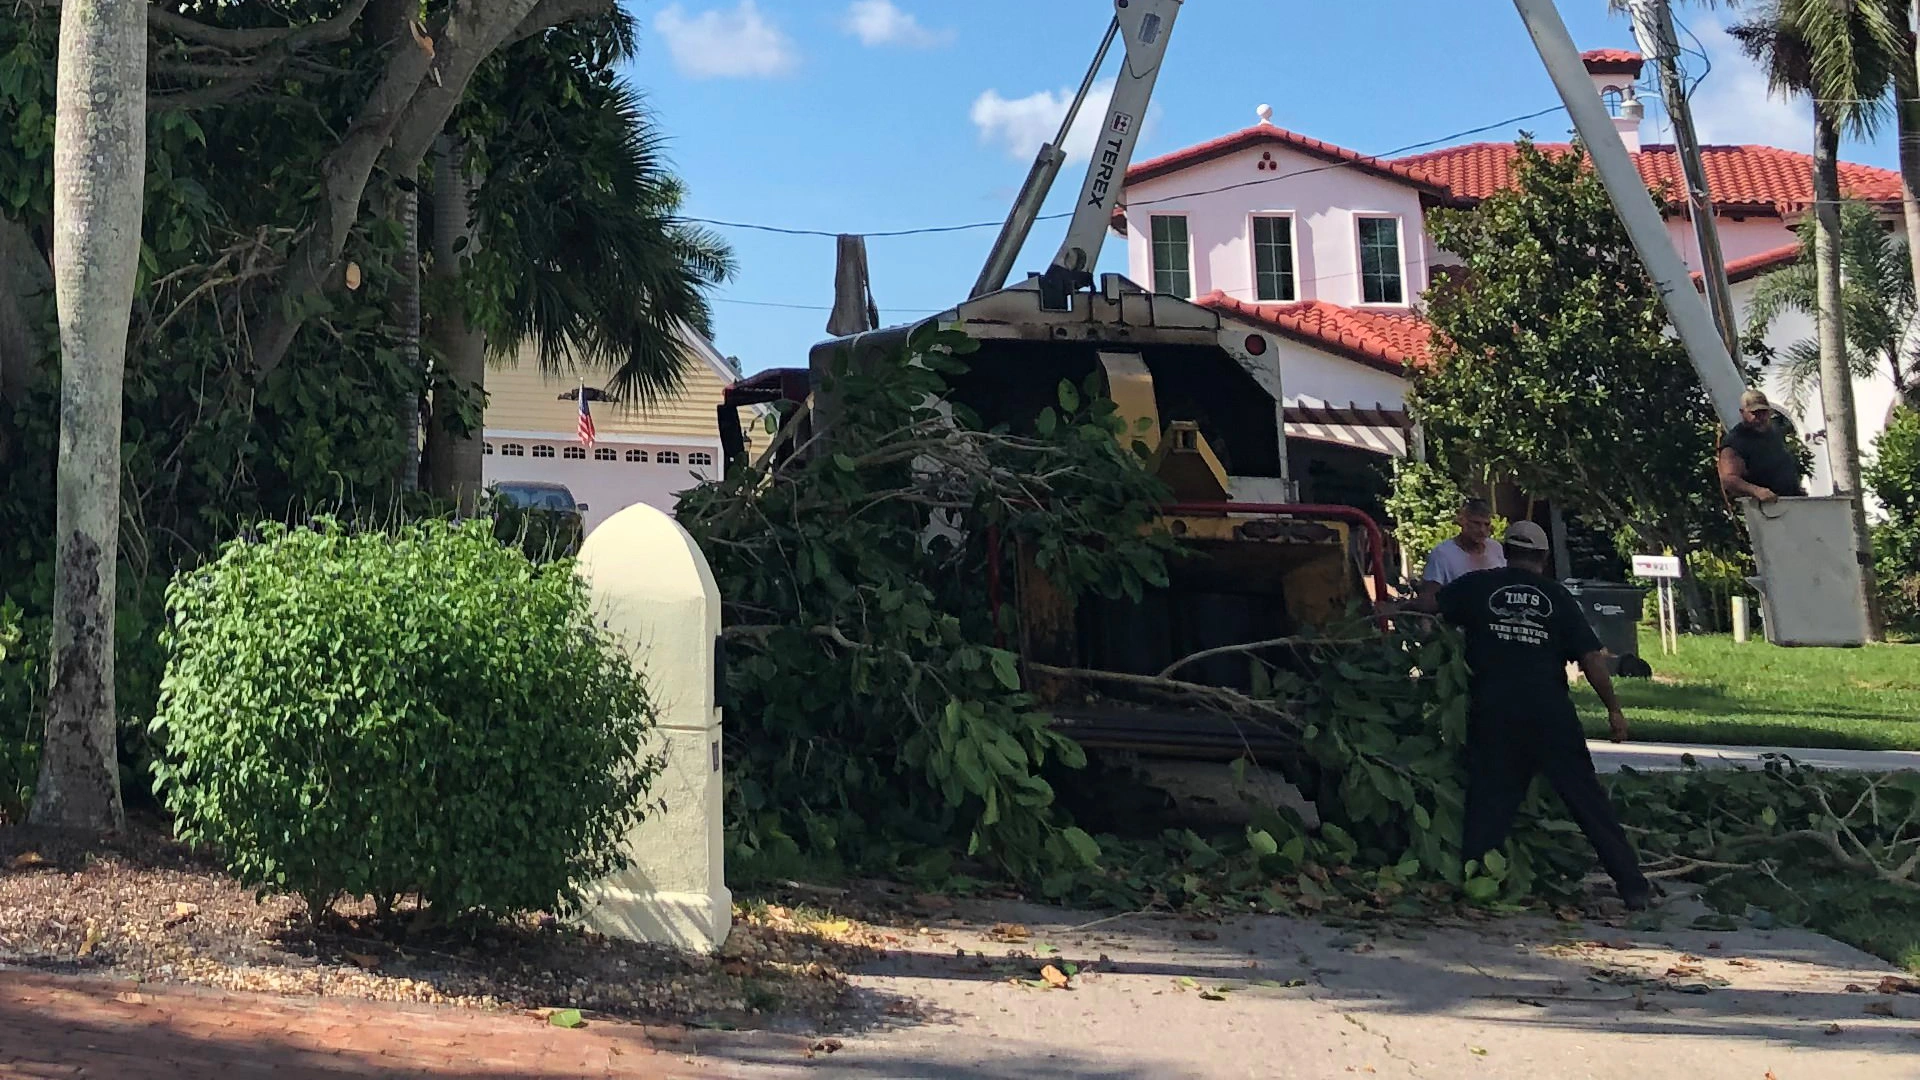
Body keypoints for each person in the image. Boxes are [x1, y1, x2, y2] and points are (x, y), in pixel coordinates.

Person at [1393, 521, 1653, 911]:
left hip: (1495, 708)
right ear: (1544, 558)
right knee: (1586, 799)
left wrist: (1389, 608)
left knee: (1489, 798)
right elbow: (1591, 660)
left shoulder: (1478, 585)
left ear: (1506, 550)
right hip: (1550, 711)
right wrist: (1614, 710)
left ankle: (1476, 881)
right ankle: (1633, 887)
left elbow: (1431, 604)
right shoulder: (1558, 597)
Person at [1718, 388, 1806, 503]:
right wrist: (1756, 491)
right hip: (1763, 509)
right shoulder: (1736, 441)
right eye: (1754, 413)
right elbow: (1729, 479)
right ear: (1742, 412)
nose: (1759, 418)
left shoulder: (1774, 431)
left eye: (1763, 412)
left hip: (1789, 502)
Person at [1416, 497, 1505, 600]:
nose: (1482, 530)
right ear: (1463, 521)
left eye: (1486, 524)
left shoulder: (1496, 549)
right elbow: (1429, 598)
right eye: (1476, 523)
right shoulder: (1442, 554)